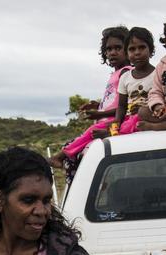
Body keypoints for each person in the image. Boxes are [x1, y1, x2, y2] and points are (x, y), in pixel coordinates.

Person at [49, 26, 131, 171]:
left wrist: (100, 114)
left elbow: (126, 106)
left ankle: (60, 157)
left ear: (128, 48)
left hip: (116, 122)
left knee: (89, 133)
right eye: (109, 49)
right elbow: (116, 101)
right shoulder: (116, 74)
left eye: (118, 48)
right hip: (107, 121)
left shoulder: (127, 73)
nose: (112, 52)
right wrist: (99, 105)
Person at [112, 27, 156, 135]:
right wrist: (116, 123)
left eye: (142, 47)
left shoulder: (158, 74)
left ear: (151, 51)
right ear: (126, 54)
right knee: (94, 129)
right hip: (127, 119)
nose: (137, 53)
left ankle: (113, 134)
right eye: (132, 49)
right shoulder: (125, 77)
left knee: (134, 123)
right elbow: (122, 106)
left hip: (148, 118)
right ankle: (68, 151)